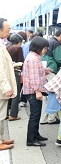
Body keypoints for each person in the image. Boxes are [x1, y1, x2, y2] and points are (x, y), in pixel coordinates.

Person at [22, 36, 51, 147]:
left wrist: (44, 70)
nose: (46, 50)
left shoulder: (33, 56)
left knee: (36, 114)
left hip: (31, 90)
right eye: (45, 48)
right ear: (39, 47)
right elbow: (34, 78)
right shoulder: (34, 59)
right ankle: (31, 139)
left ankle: (36, 134)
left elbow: (35, 71)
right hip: (33, 91)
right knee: (35, 115)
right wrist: (38, 91)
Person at [40, 29, 61, 125]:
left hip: (44, 71)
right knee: (53, 95)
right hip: (51, 71)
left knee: (45, 96)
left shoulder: (48, 41)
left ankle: (43, 119)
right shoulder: (55, 43)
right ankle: (51, 118)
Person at [0, 18, 17, 150]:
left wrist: (14, 65)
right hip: (1, 87)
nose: (9, 32)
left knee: (1, 115)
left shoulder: (2, 43)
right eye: (7, 30)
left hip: (2, 87)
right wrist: (6, 87)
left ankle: (1, 139)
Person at [6, 33, 24, 121]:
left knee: (8, 93)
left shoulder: (7, 48)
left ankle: (5, 113)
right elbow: (21, 61)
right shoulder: (18, 48)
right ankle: (13, 114)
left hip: (8, 72)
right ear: (19, 41)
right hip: (15, 71)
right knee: (15, 93)